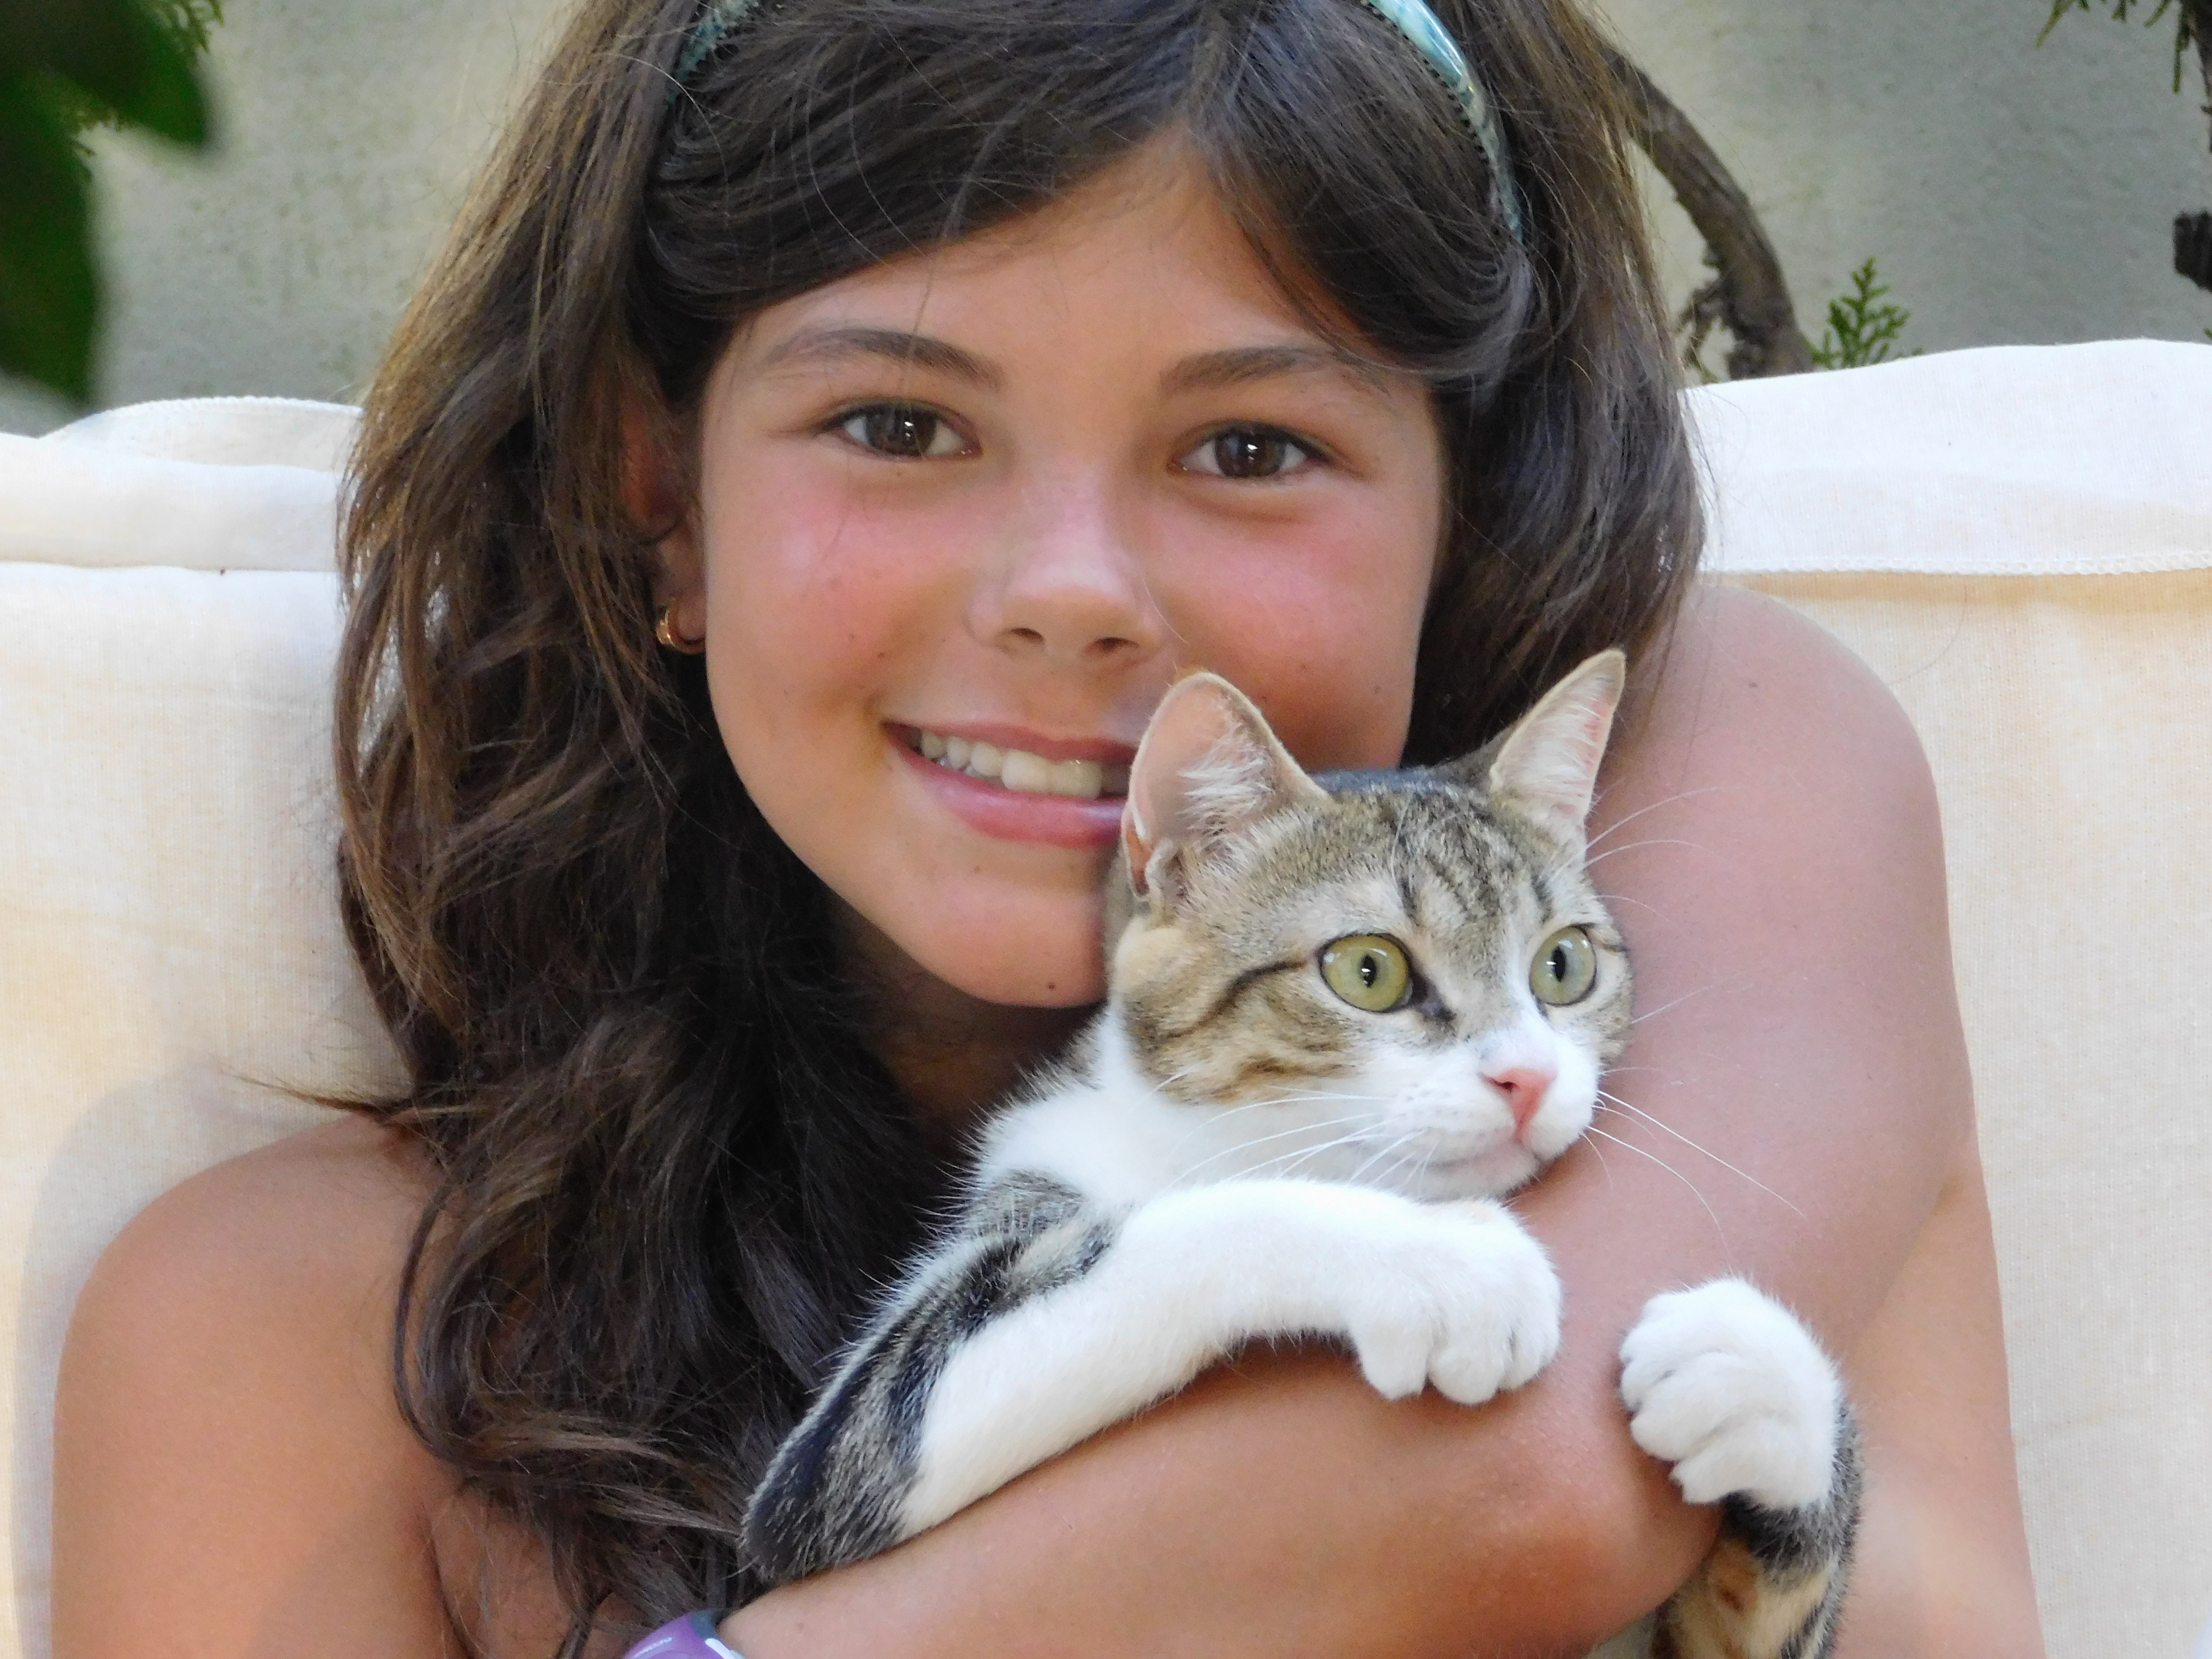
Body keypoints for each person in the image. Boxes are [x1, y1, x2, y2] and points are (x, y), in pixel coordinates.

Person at [49, 0, 2048, 1653]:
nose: (1071, 591)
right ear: (657, 496)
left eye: (1251, 444)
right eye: (900, 424)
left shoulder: (1703, 780)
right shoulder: (305, 1328)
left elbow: (1520, 1481)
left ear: (1472, 506)